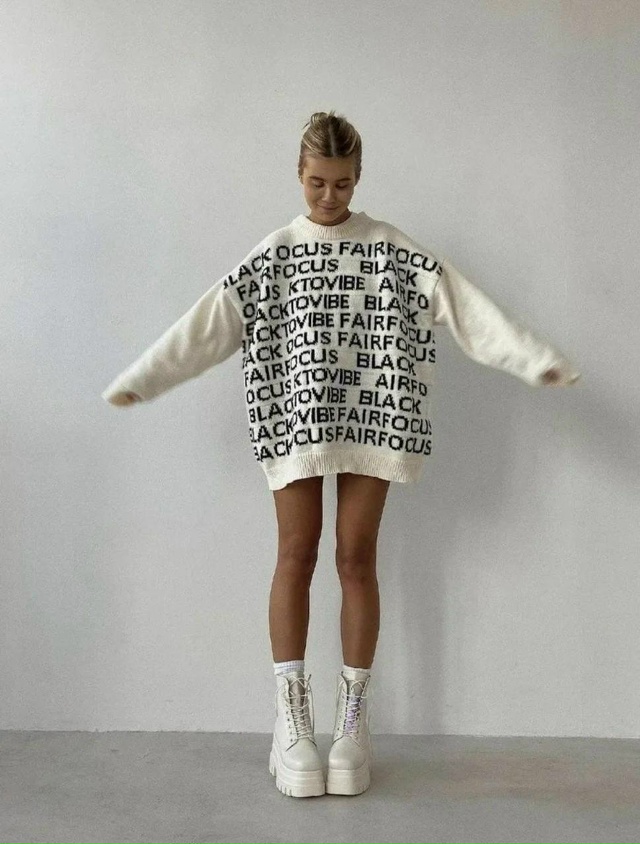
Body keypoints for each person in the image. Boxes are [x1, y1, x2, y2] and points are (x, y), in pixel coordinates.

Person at [102, 110, 581, 799]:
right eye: (318, 183)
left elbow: (465, 305)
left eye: (344, 183)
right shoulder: (275, 253)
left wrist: (535, 360)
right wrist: (143, 380)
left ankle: (353, 723)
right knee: (295, 554)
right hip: (296, 417)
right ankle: (290, 720)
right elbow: (208, 323)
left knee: (356, 557)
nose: (330, 197)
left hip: (374, 414)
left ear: (359, 178)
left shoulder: (390, 249)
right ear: (299, 174)